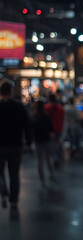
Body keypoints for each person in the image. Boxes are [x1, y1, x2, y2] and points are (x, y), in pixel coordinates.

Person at [0, 81, 32, 209]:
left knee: (0, 173)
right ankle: (14, 200)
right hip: (16, 145)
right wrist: (29, 142)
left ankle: (3, 193)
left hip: (0, 145)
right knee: (14, 174)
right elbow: (27, 125)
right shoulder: (19, 107)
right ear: (12, 92)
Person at [32, 100, 55, 187]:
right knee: (48, 158)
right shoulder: (46, 116)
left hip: (38, 140)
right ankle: (51, 173)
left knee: (40, 161)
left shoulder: (34, 117)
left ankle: (43, 180)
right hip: (46, 139)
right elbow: (51, 128)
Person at [45, 94, 65, 168]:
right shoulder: (60, 108)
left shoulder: (47, 107)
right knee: (59, 143)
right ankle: (61, 158)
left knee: (52, 145)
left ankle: (55, 158)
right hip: (59, 128)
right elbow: (63, 118)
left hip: (50, 129)